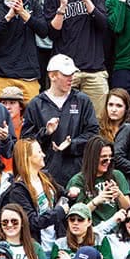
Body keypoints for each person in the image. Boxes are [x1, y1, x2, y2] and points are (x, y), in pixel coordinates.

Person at [43, 0, 109, 113]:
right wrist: (63, 6)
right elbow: (52, 34)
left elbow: (103, 24)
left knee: (97, 121)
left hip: (94, 70)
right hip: (64, 71)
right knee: (63, 119)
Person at [21, 54, 99, 185]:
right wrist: (45, 133)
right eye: (66, 75)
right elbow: (25, 142)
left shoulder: (82, 100)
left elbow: (93, 134)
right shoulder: (36, 104)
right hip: (45, 174)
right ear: (52, 76)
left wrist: (72, 144)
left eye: (72, 74)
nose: (71, 78)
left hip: (78, 174)